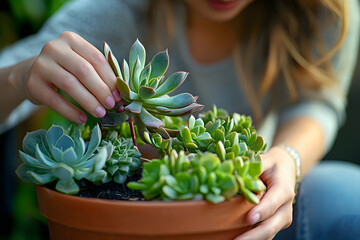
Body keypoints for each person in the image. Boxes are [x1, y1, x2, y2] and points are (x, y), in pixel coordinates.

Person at [0, 0, 359, 239]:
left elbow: (316, 101)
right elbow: (18, 75)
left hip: (248, 218)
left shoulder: (319, 10)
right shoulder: (119, 12)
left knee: (344, 195)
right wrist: (20, 76)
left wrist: (288, 158)